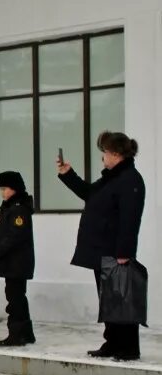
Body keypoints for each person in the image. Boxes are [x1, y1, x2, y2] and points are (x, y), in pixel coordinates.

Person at [58, 131, 146, 361]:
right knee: (109, 300)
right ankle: (113, 343)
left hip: (117, 252)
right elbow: (89, 193)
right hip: (103, 250)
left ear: (116, 154)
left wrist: (125, 252)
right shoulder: (111, 177)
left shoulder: (130, 179)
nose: (102, 157)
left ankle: (128, 348)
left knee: (121, 300)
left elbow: (130, 219)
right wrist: (68, 174)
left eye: (105, 152)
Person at [0, 171, 36, 347]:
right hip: (13, 262)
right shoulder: (11, 206)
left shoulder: (18, 208)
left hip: (17, 262)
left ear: (15, 189)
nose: (2, 193)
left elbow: (15, 236)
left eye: (5, 188)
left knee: (15, 299)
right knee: (17, 297)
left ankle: (17, 334)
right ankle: (26, 333)